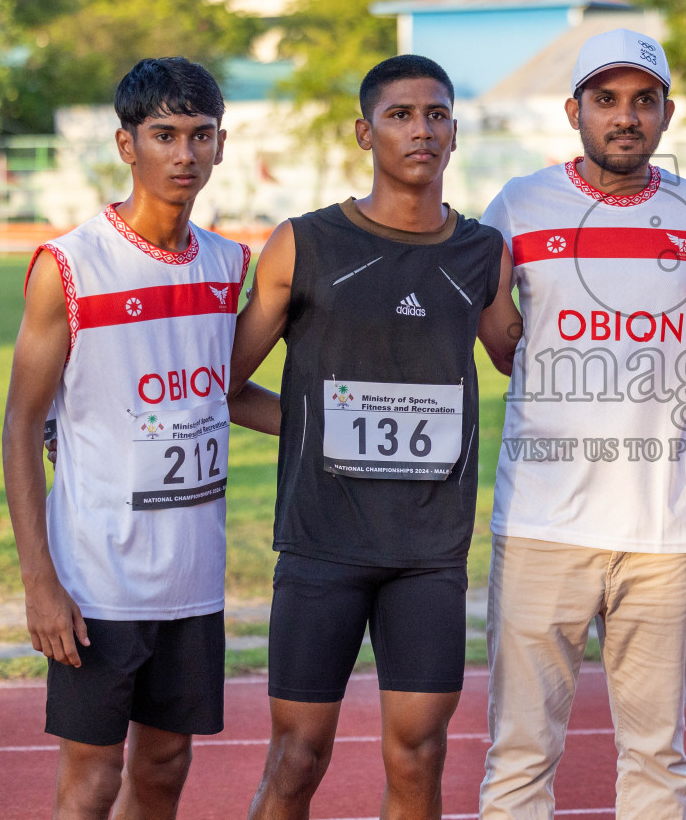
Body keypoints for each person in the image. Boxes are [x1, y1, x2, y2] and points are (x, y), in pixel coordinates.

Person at [226, 54, 519, 820]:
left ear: (455, 132)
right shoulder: (304, 243)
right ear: (365, 131)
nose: (420, 129)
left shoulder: (483, 253)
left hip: (428, 551)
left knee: (419, 757)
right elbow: (223, 383)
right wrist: (317, 427)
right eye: (400, 115)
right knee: (297, 758)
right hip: (323, 543)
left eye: (436, 114)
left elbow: (521, 359)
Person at [2, 57, 279, 820]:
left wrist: (327, 426)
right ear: (128, 145)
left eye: (200, 135)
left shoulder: (228, 265)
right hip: (97, 577)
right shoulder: (71, 266)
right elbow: (22, 422)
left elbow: (225, 391)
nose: (184, 154)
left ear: (222, 145)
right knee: (91, 782)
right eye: (164, 135)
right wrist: (40, 580)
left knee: (164, 767)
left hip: (191, 573)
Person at [476, 29, 686, 820]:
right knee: (521, 752)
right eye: (606, 100)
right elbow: (498, 340)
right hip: (540, 525)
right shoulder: (518, 204)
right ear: (574, 111)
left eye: (643, 101)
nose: (625, 117)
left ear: (665, 113)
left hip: (660, 531)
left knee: (656, 755)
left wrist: (678, 395)